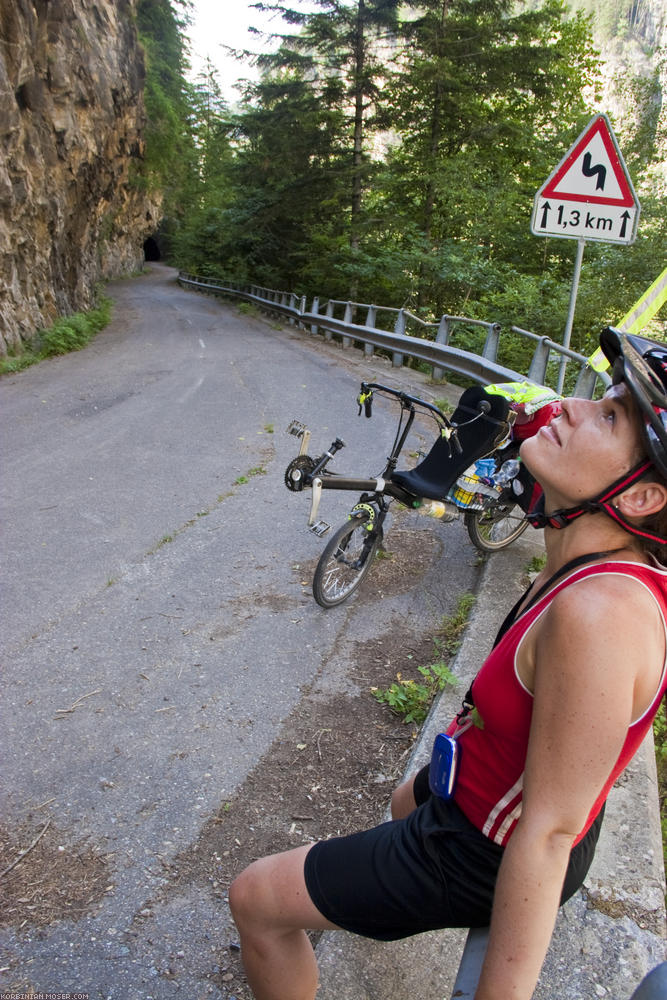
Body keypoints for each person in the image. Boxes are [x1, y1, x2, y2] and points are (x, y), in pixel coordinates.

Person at [229, 327, 667, 1000]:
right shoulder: (589, 548)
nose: (572, 407)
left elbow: (545, 834)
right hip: (480, 784)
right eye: (596, 396)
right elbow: (532, 413)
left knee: (255, 898)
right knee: (404, 798)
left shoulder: (599, 615)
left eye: (607, 416)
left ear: (640, 498)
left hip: (486, 847)